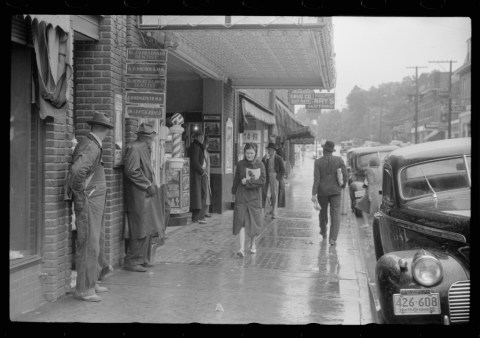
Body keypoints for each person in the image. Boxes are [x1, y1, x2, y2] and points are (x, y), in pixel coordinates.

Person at [66, 111, 113, 302]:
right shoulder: (92, 146)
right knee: (89, 243)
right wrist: (81, 192)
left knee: (96, 241)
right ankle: (85, 289)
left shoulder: (90, 144)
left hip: (93, 200)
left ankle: (91, 281)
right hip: (89, 200)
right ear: (106, 131)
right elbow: (77, 172)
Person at [124, 123, 168, 272]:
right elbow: (132, 171)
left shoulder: (145, 148)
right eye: (150, 137)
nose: (152, 140)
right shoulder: (134, 148)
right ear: (144, 137)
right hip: (139, 194)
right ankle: (133, 260)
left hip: (146, 194)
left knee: (147, 226)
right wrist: (147, 184)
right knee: (139, 227)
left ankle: (143, 258)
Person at [311, 140, 348, 246]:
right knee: (335, 214)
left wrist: (314, 193)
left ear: (323, 150)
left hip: (322, 192)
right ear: (332, 151)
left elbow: (316, 179)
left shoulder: (318, 162)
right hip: (336, 191)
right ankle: (333, 239)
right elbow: (345, 174)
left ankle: (323, 232)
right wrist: (343, 185)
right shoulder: (339, 160)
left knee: (322, 213)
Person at [232, 143, 266, 257]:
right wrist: (233, 192)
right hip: (241, 196)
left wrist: (248, 182)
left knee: (253, 221)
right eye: (247, 153)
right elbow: (236, 179)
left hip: (255, 197)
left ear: (255, 153)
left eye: (251, 153)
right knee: (240, 220)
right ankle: (241, 248)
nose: (249, 155)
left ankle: (252, 244)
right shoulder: (240, 164)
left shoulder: (260, 164)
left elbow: (262, 181)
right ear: (244, 153)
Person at [356, 157, 383, 228]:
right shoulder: (381, 169)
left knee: (361, 206)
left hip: (373, 191)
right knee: (378, 208)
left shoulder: (370, 170)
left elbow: (371, 183)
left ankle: (366, 223)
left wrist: (370, 195)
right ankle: (378, 223)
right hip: (381, 191)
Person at [261, 143, 286, 219]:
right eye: (268, 150)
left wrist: (278, 177)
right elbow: (261, 166)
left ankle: (274, 212)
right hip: (267, 177)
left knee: (274, 194)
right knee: (267, 194)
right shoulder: (266, 158)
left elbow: (283, 170)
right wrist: (264, 160)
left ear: (274, 151)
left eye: (270, 150)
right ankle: (268, 210)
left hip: (275, 177)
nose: (269, 151)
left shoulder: (279, 158)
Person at [190, 131, 208, 224]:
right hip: (198, 174)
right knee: (200, 194)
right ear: (196, 137)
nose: (202, 138)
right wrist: (202, 171)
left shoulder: (199, 146)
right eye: (200, 136)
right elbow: (194, 161)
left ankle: (200, 216)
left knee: (202, 194)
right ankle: (198, 217)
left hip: (200, 173)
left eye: (203, 136)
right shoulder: (196, 147)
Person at [203, 136, 213, 218]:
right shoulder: (202, 152)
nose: (207, 145)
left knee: (208, 192)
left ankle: (207, 210)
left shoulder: (206, 152)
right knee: (205, 193)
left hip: (207, 174)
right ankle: (205, 211)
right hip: (204, 174)